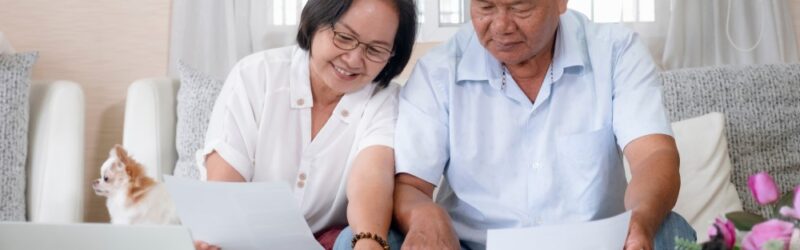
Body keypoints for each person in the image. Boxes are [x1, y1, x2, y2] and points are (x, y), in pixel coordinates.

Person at [392, 0, 696, 249]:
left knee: (671, 231)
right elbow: (410, 185)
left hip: (594, 244)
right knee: (363, 238)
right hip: (472, 245)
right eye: (485, 7)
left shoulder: (616, 51)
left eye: (520, 8)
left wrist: (640, 219)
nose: (500, 26)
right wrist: (423, 213)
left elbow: (654, 156)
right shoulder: (439, 69)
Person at [193, 0, 416, 249]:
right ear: (315, 22)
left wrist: (369, 241)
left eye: (375, 50)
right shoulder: (255, 75)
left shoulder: (386, 100)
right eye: (343, 37)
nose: (353, 60)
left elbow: (372, 177)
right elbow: (225, 186)